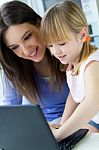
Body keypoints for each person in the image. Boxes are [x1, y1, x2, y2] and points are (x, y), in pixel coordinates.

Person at [0, 1, 69, 124]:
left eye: (27, 37)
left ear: (39, 24)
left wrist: (62, 128)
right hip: (42, 130)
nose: (26, 50)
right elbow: (10, 116)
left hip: (78, 124)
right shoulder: (14, 69)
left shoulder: (68, 50)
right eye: (15, 47)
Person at [41, 0, 99, 141]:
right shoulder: (73, 64)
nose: (55, 51)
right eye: (50, 45)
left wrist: (59, 135)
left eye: (61, 43)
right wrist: (62, 125)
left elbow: (92, 103)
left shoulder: (92, 64)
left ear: (82, 34)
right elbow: (75, 96)